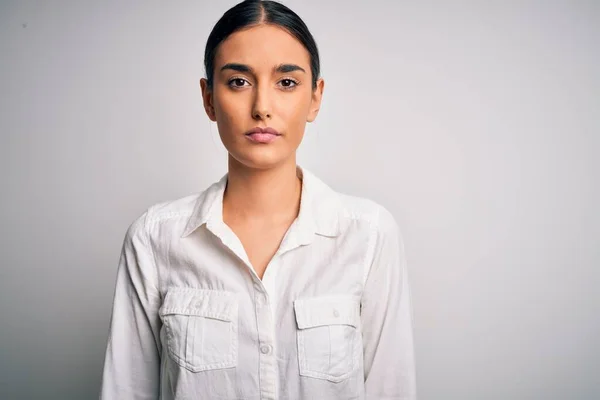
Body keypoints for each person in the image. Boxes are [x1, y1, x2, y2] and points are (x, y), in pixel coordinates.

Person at [99, 1, 417, 399]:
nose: (262, 108)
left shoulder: (368, 236)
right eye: (238, 82)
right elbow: (126, 391)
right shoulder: (154, 239)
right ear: (208, 98)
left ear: (315, 97)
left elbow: (392, 390)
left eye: (286, 83)